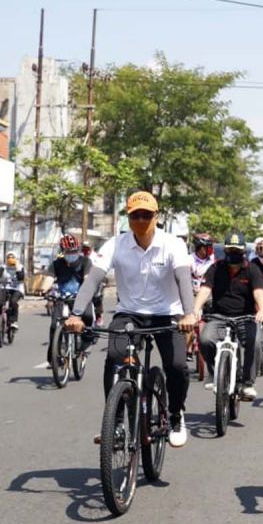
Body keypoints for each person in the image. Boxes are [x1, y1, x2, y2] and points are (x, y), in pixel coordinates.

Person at [66, 192, 196, 448]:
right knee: (115, 357)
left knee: (178, 366)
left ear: (156, 217)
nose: (141, 220)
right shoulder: (116, 244)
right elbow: (92, 279)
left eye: (146, 215)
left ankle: (177, 415)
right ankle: (114, 424)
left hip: (167, 315)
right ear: (128, 217)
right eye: (135, 215)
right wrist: (76, 313)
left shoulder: (173, 244)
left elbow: (183, 279)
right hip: (130, 313)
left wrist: (188, 313)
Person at [191, 231, 263, 399]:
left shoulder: (252, 270)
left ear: (244, 252)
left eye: (237, 251)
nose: (234, 254)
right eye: (230, 251)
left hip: (245, 317)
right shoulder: (215, 268)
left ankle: (247, 382)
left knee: (254, 344)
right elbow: (205, 290)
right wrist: (196, 308)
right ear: (225, 251)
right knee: (205, 339)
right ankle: (213, 374)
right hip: (219, 316)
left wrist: (262, 309)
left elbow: (258, 292)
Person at [47, 234, 94, 366]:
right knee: (54, 325)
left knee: (88, 316)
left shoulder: (85, 262)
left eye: (74, 251)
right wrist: (43, 290)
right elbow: (49, 279)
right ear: (63, 251)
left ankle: (86, 343)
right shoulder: (56, 264)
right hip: (62, 298)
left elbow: (87, 278)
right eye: (68, 251)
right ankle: (54, 355)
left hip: (81, 298)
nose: (72, 254)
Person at [0, 251, 25, 330]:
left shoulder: (20, 267)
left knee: (13, 301)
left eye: (12, 257)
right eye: (8, 258)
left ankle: (13, 321)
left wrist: (17, 268)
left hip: (17, 289)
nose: (10, 259)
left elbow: (21, 277)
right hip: (5, 287)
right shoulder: (3, 267)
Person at [81, 243, 105, 325]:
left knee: (97, 298)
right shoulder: (81, 256)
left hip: (96, 280)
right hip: (84, 280)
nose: (85, 250)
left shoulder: (96, 257)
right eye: (84, 248)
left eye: (87, 248)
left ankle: (98, 315)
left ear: (91, 248)